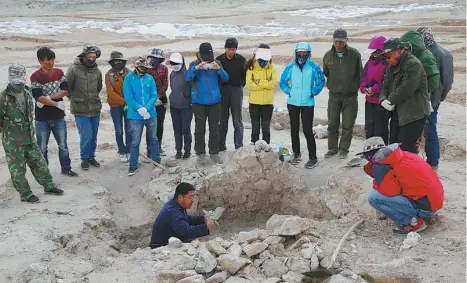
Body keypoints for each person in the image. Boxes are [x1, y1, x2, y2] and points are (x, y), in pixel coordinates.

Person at [0, 64, 64, 203]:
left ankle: (49, 185)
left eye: (20, 80)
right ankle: (26, 194)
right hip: (13, 142)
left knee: (39, 163)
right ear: (10, 78)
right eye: (15, 80)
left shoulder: (28, 92)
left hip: (29, 137)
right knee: (18, 170)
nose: (18, 84)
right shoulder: (4, 98)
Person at [359, 136, 444, 234]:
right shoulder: (404, 154)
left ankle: (414, 222)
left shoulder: (381, 164)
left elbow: (391, 192)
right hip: (434, 203)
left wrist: (377, 183)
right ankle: (417, 214)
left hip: (425, 208)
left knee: (373, 197)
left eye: (368, 156)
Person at [31, 47, 77, 177]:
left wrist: (48, 98)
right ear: (40, 61)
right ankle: (44, 173)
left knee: (63, 145)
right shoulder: (35, 76)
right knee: (42, 148)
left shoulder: (59, 73)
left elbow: (66, 91)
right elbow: (39, 98)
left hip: (58, 116)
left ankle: (66, 168)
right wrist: (56, 103)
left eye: (52, 60)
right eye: (47, 61)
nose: (51, 63)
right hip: (42, 118)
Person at [379, 38, 431, 153]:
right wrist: (382, 100)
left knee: (405, 150)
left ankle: (411, 170)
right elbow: (385, 85)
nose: (387, 60)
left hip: (413, 114)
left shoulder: (413, 65)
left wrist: (390, 100)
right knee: (393, 147)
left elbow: (407, 89)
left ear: (399, 51)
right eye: (385, 57)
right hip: (397, 113)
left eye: (389, 56)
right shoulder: (390, 67)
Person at [280, 42, 325, 169]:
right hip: (292, 102)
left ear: (309, 54)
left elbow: (321, 81)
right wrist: (289, 91)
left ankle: (313, 157)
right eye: (299, 53)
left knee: (307, 130)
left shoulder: (313, 67)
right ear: (295, 54)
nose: (301, 56)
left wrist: (313, 92)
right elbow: (283, 81)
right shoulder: (290, 67)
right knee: (294, 129)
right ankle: (297, 153)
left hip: (307, 103)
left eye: (304, 53)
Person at [185, 42, 229, 165]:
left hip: (215, 101)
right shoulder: (194, 64)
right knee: (200, 129)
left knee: (215, 128)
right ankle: (201, 154)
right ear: (200, 54)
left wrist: (218, 69)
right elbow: (187, 78)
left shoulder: (217, 63)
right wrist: (197, 68)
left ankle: (214, 152)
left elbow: (226, 78)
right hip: (198, 102)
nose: (208, 59)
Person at [417, 27, 454, 170]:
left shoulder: (443, 54)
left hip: (432, 99)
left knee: (430, 129)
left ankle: (433, 161)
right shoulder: (420, 53)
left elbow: (447, 81)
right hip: (420, 98)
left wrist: (439, 98)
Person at [323, 28, 363, 159]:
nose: (338, 44)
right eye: (336, 42)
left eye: (341, 42)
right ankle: (332, 149)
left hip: (350, 96)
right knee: (332, 123)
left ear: (346, 41)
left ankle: (344, 150)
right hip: (334, 96)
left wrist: (356, 87)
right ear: (333, 41)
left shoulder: (354, 55)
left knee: (348, 124)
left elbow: (360, 74)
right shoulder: (328, 56)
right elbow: (326, 73)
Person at [66, 44, 103, 170]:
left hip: (95, 108)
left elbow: (98, 88)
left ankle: (91, 157)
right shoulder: (74, 69)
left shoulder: (97, 71)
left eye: (94, 54)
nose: (92, 56)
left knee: (93, 136)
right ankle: (84, 159)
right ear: (84, 55)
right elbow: (67, 87)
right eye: (90, 53)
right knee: (86, 135)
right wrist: (75, 99)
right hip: (80, 109)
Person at [123, 57, 160, 176]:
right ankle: (133, 165)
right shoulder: (129, 78)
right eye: (141, 67)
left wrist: (147, 108)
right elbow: (128, 97)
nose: (143, 69)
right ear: (136, 67)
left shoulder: (150, 78)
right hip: (135, 116)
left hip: (151, 114)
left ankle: (156, 161)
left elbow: (154, 95)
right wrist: (139, 108)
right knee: (135, 142)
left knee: (154, 139)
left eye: (145, 67)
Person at [149, 182, 214, 248]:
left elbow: (185, 219)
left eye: (193, 197)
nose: (192, 200)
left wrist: (202, 219)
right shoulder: (173, 211)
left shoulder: (175, 204)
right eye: (190, 197)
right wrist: (206, 227)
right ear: (180, 197)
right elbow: (186, 232)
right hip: (161, 248)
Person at [216, 38, 246, 151]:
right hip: (223, 91)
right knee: (222, 120)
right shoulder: (219, 60)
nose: (231, 52)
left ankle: (239, 147)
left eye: (233, 49)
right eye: (229, 49)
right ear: (225, 48)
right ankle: (221, 146)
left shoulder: (241, 59)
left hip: (236, 91)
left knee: (237, 120)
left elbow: (245, 75)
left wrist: (240, 85)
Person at [245, 44, 277, 145]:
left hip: (267, 102)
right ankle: (254, 144)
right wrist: (265, 83)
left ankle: (266, 145)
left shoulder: (272, 68)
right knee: (255, 126)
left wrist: (259, 82)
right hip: (254, 102)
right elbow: (249, 84)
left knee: (266, 127)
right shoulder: (251, 68)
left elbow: (273, 84)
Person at [360, 36, 389, 144]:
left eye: (374, 52)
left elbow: (386, 81)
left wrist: (374, 89)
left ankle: (381, 155)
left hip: (381, 102)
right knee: (369, 128)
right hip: (369, 101)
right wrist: (363, 88)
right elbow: (363, 77)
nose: (372, 55)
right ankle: (370, 154)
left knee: (380, 130)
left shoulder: (387, 63)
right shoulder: (369, 62)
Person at [105, 51, 131, 163]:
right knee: (119, 130)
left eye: (119, 61)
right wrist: (124, 101)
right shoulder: (108, 75)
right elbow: (111, 92)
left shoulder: (129, 73)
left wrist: (128, 102)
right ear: (111, 63)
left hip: (128, 106)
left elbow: (132, 88)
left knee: (129, 129)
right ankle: (122, 150)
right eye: (115, 61)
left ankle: (129, 150)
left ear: (123, 62)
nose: (117, 63)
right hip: (115, 106)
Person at [166, 52, 193, 159]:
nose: (174, 65)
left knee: (186, 130)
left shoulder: (188, 74)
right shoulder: (172, 74)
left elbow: (193, 88)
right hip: (174, 106)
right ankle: (178, 150)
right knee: (177, 130)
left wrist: (188, 94)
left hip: (186, 107)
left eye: (176, 63)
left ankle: (187, 151)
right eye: (172, 63)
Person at [147, 48, 169, 157]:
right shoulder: (145, 68)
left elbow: (165, 84)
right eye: (154, 58)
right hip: (148, 102)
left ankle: (158, 147)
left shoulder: (164, 68)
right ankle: (149, 149)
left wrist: (158, 97)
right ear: (150, 57)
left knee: (159, 125)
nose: (156, 60)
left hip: (161, 100)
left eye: (158, 59)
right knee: (150, 125)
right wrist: (152, 99)